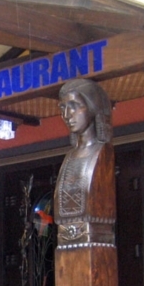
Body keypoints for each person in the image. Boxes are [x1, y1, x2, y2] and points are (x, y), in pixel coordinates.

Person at [54, 79, 115, 248]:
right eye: (63, 108)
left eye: (74, 106)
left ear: (92, 107)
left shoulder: (101, 152)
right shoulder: (69, 157)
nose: (67, 115)